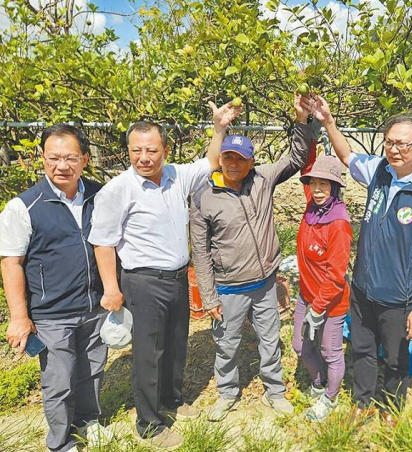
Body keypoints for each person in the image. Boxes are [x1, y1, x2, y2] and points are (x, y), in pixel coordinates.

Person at [88, 102, 241, 449]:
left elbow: (212, 162)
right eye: (136, 150)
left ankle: (172, 400)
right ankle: (149, 423)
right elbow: (103, 243)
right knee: (148, 353)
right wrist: (111, 288)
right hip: (142, 282)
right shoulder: (118, 189)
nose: (144, 157)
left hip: (175, 278)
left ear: (165, 150)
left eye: (151, 149)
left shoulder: (176, 175)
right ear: (128, 151)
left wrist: (218, 129)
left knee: (175, 343)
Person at [301, 96, 412, 420]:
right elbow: (347, 156)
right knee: (362, 349)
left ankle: (391, 407)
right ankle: (363, 401)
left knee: (396, 359)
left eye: (402, 144)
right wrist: (328, 120)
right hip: (363, 288)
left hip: (399, 297)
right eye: (389, 142)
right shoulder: (380, 171)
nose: (394, 149)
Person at [189, 93, 314, 421]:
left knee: (270, 340)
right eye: (228, 157)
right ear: (221, 158)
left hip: (264, 283)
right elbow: (200, 252)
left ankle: (275, 390)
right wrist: (208, 295)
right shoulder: (204, 197)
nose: (233, 164)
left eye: (240, 159)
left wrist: (302, 120)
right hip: (228, 288)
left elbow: (298, 157)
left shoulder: (263, 179)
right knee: (227, 344)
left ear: (251, 161)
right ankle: (227, 392)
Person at [0, 124, 110, 452]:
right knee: (59, 382)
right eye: (54, 158)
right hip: (51, 314)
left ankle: (89, 421)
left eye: (71, 158)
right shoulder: (24, 207)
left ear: (85, 159)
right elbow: (11, 264)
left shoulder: (100, 195)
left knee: (92, 371)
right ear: (42, 158)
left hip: (95, 306)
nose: (62, 166)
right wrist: (19, 317)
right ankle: (61, 443)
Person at [291, 151, 353, 421]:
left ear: (335, 187)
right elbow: (307, 160)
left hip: (331, 302)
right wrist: (309, 124)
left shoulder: (338, 223)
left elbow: (336, 274)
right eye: (313, 183)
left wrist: (318, 310)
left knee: (330, 351)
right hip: (307, 294)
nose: (317, 190)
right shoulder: (313, 208)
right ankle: (318, 383)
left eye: (324, 184)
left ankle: (331, 397)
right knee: (299, 345)